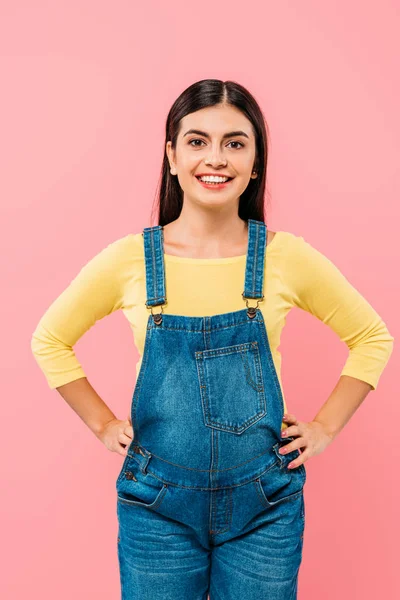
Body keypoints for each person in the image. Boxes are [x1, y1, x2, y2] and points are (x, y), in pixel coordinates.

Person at [31, 79, 394, 600]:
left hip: (264, 508)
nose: (216, 159)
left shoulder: (284, 257)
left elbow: (371, 336)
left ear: (255, 162)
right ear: (172, 156)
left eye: (235, 143)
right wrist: (103, 423)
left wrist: (325, 427)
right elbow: (50, 340)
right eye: (197, 141)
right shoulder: (130, 260)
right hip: (156, 508)